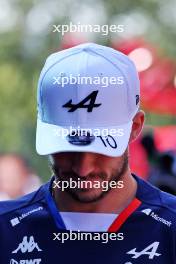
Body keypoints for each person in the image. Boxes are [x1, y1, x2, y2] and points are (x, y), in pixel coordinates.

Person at [0, 43, 176, 264]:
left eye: (101, 148)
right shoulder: (5, 229)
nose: (83, 168)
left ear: (135, 127)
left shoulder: (170, 228)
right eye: (68, 149)